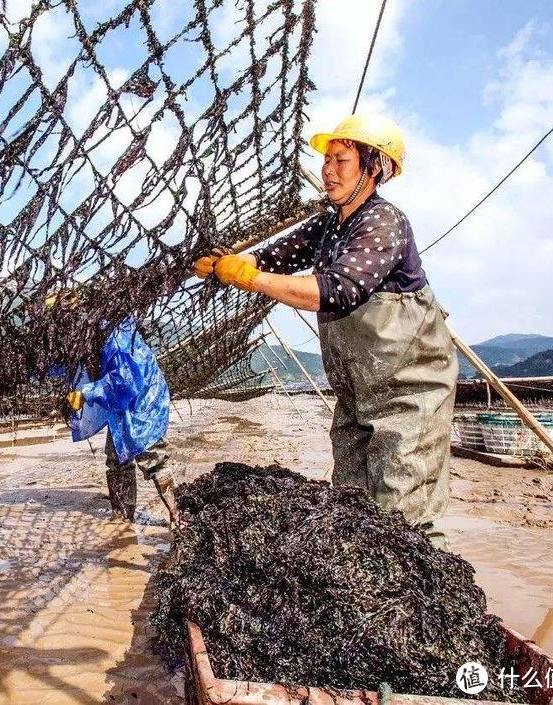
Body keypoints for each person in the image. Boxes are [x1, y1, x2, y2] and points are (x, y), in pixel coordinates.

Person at [194, 114, 458, 548]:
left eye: (342, 160)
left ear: (375, 168)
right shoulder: (327, 225)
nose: (329, 170)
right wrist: (230, 265)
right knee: (351, 509)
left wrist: (248, 279)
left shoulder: (384, 222)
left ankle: (427, 605)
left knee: (403, 515)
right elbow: (275, 257)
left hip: (409, 392)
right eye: (327, 160)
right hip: (357, 393)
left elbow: (337, 289)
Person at [65, 317, 179, 526]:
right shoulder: (99, 334)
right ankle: (122, 519)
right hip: (122, 408)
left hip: (142, 403)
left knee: (153, 458)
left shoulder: (114, 338)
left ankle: (178, 516)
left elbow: (125, 381)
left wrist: (86, 393)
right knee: (117, 459)